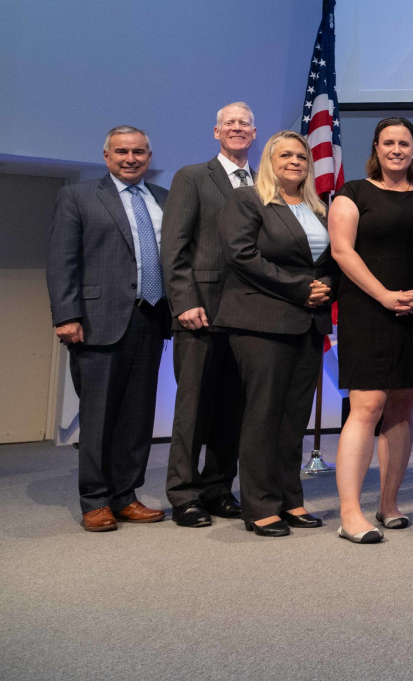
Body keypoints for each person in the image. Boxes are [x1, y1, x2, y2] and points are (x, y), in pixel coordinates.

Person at [47, 126, 170, 531]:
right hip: (97, 321)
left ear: (148, 156)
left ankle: (125, 496)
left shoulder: (163, 199)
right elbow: (62, 259)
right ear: (106, 156)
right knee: (99, 416)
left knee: (137, 415)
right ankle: (95, 500)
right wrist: (66, 315)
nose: (130, 158)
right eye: (121, 151)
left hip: (151, 317)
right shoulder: (78, 196)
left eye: (138, 152)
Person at [214, 131, 335, 538]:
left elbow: (329, 262)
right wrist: (301, 288)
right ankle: (260, 505)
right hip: (261, 321)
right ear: (269, 160)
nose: (295, 161)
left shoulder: (319, 208)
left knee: (293, 417)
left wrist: (325, 287)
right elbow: (242, 255)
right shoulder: (248, 200)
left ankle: (289, 498)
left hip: (309, 322)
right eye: (285, 155)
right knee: (264, 415)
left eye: (301, 155)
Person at [328, 118, 413, 544]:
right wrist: (385, 296)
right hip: (367, 309)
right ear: (376, 147)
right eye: (388, 142)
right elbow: (342, 251)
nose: (396, 149)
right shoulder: (353, 192)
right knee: (368, 404)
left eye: (404, 143)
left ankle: (388, 504)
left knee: (402, 407)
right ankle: (350, 513)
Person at [160, 101, 256, 527]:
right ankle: (184, 495)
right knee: (193, 408)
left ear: (254, 133)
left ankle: (218, 489)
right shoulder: (193, 177)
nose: (237, 128)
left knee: (233, 408)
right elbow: (174, 246)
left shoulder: (263, 182)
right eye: (229, 123)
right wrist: (184, 301)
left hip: (249, 315)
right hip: (201, 311)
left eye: (244, 123)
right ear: (216, 132)